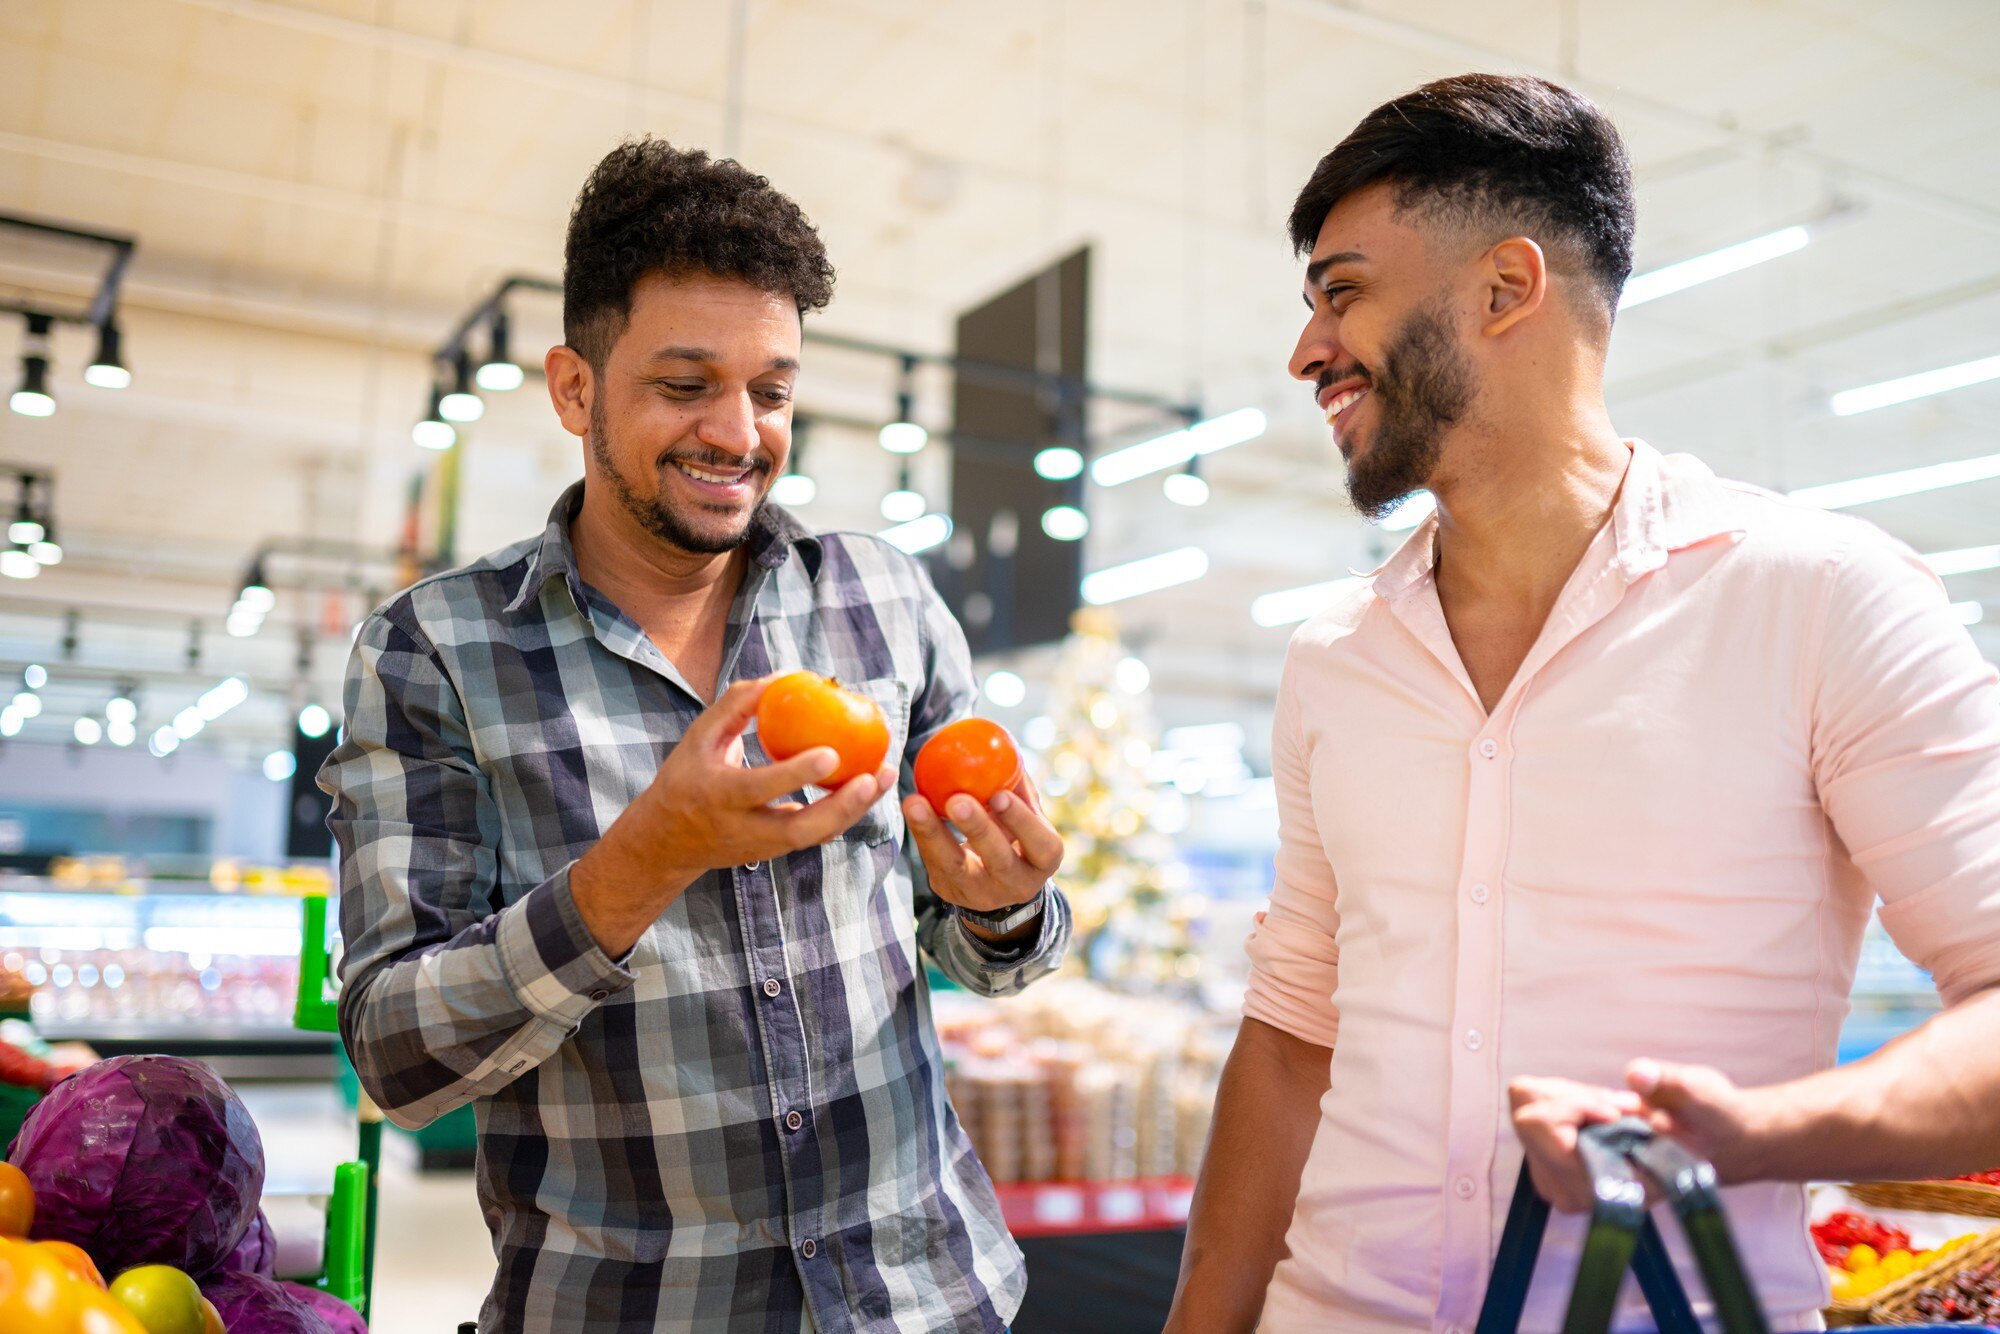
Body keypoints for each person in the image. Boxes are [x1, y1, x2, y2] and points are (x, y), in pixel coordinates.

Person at [1165, 73, 2000, 1333]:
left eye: (1342, 293)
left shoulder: (1820, 596)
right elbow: (1292, 1036)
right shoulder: (1336, 655)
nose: (1305, 351)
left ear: (1505, 289)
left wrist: (1757, 1132)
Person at [323, 139, 1070, 1333]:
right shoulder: (437, 654)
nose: (738, 432)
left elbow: (994, 951)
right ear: (575, 388)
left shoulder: (883, 600)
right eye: (684, 384)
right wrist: (650, 851)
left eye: (771, 390)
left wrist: (1001, 903)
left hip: (927, 1297)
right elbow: (398, 1058)